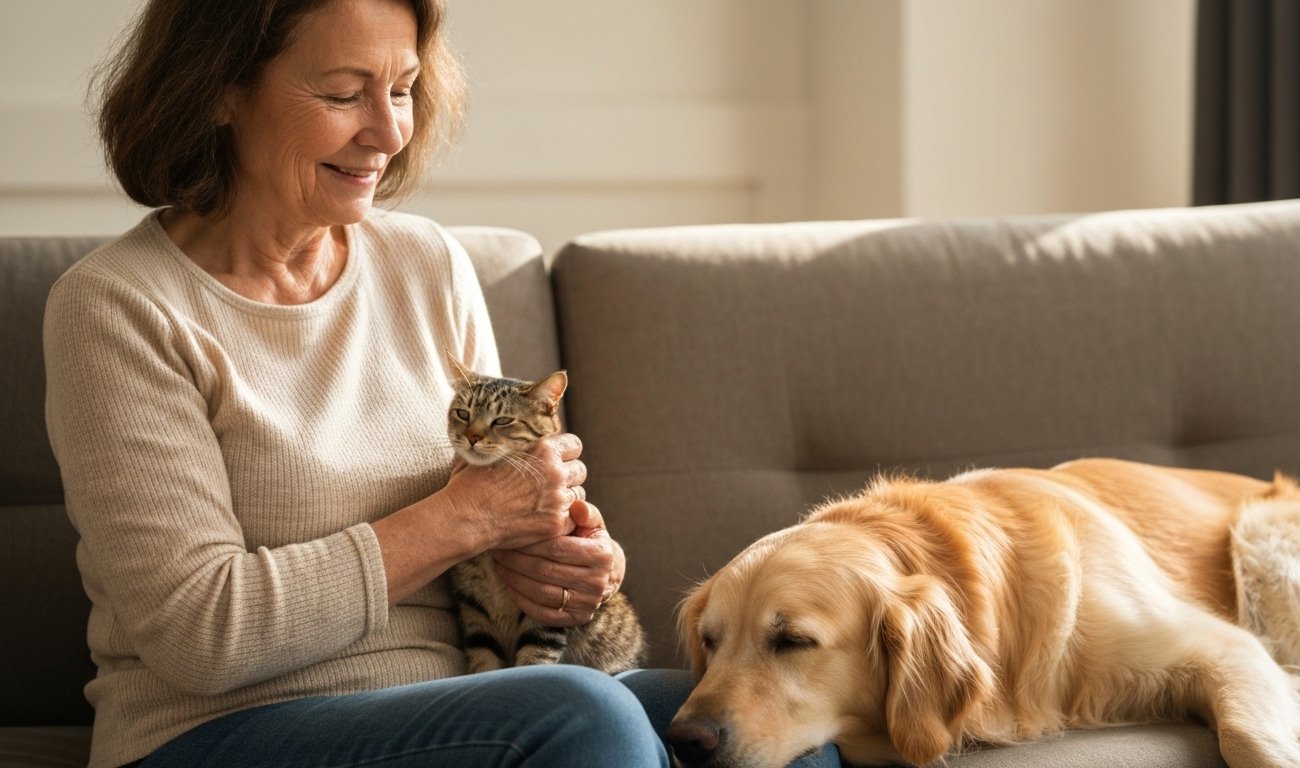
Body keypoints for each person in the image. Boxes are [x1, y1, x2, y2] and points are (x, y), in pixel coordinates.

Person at [46, 1, 845, 766]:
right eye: (343, 93)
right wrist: (460, 521)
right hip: (225, 730)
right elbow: (201, 633)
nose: (389, 131)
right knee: (580, 716)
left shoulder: (426, 264)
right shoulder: (119, 308)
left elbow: (496, 511)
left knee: (769, 723)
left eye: (401, 89)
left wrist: (561, 566)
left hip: (473, 699)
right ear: (218, 89)